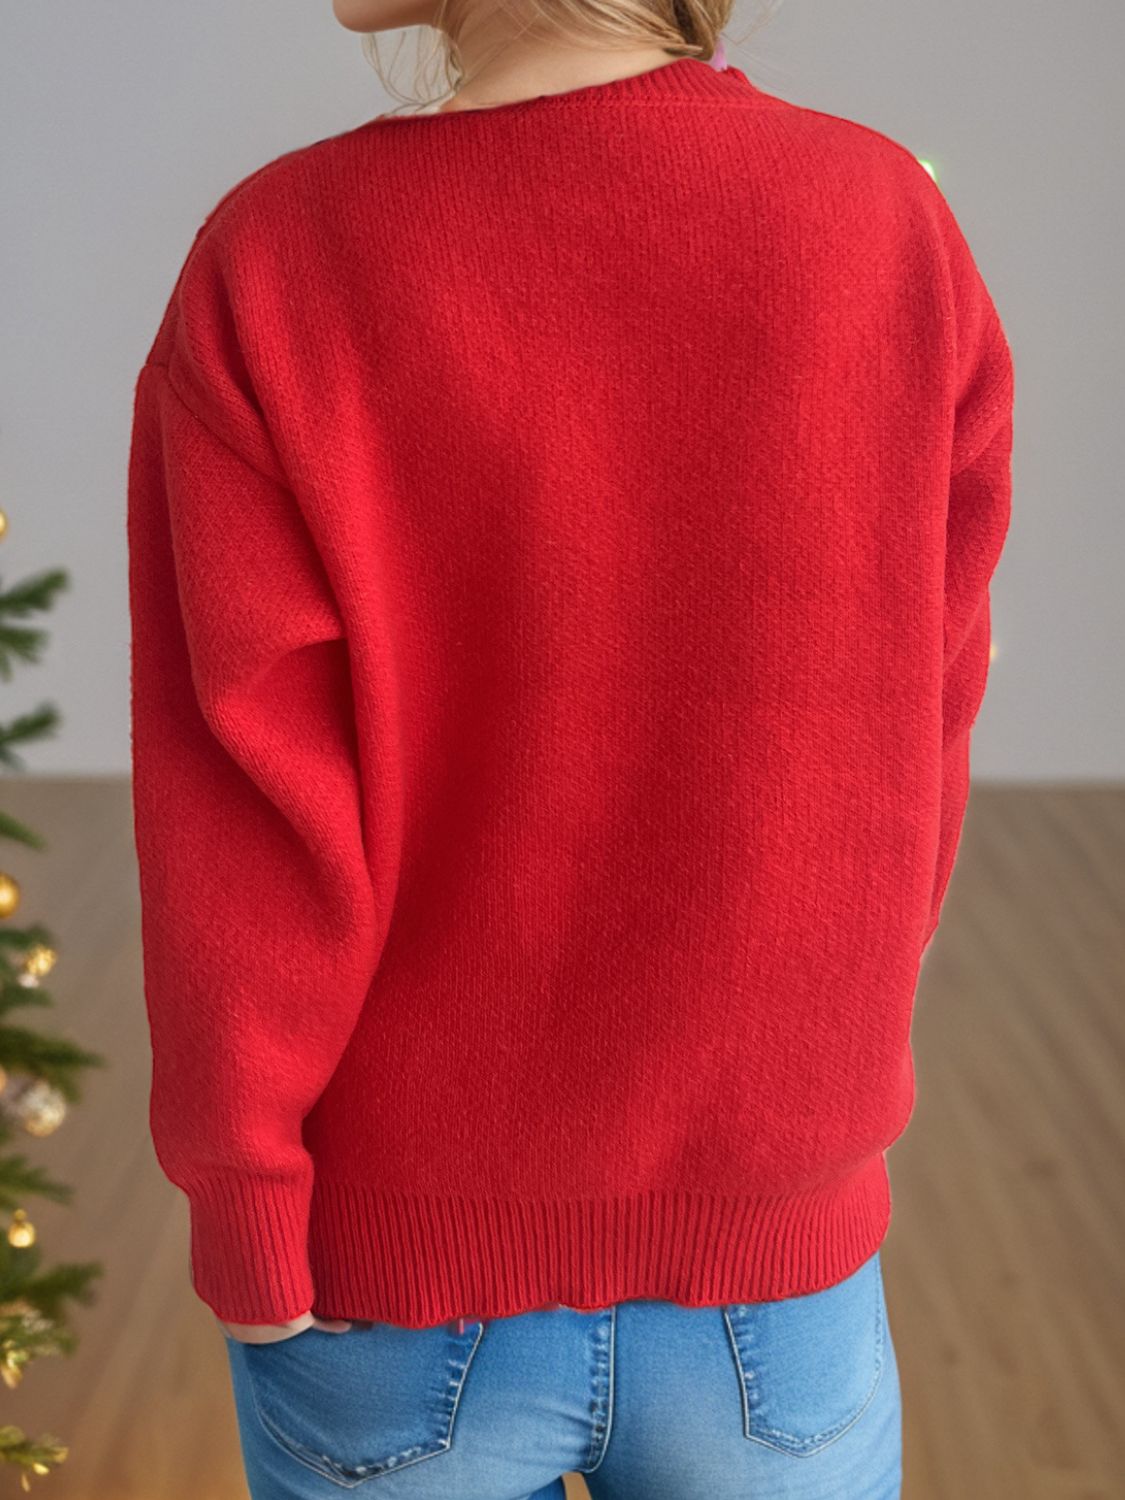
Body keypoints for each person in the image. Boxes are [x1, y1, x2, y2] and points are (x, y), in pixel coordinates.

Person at [125, 0, 1015, 1493]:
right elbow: (924, 713)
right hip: (774, 1261)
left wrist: (245, 1197)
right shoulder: (884, 222)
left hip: (384, 1279)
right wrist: (816, 1068)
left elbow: (246, 804)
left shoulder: (277, 255)